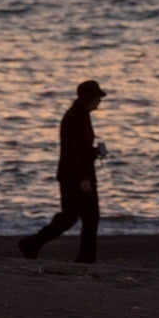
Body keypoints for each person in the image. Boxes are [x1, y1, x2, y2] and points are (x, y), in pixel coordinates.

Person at [18, 79, 108, 263]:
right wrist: (83, 177)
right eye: (98, 97)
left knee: (74, 217)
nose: (100, 101)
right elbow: (72, 152)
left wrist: (95, 152)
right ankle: (84, 257)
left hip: (75, 174)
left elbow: (80, 150)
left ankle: (33, 244)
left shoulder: (80, 115)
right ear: (88, 98)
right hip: (75, 176)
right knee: (84, 217)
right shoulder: (75, 117)